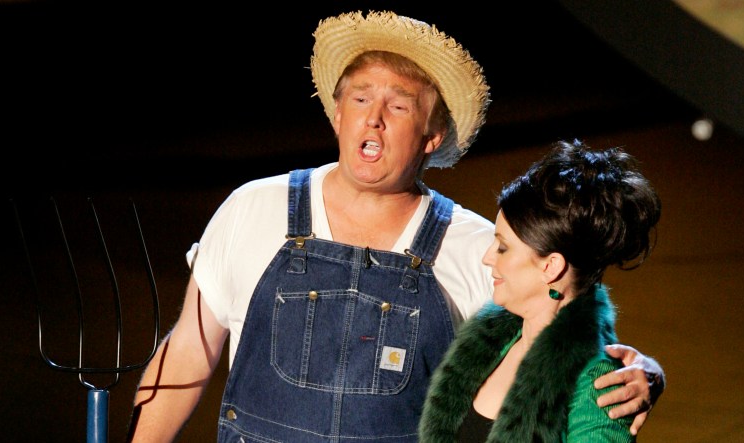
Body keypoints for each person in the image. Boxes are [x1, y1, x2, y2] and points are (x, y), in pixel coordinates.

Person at [127, 11, 664, 442]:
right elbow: (188, 354)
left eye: (399, 106)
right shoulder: (252, 209)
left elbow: (563, 334)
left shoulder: (476, 247)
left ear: (432, 137)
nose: (373, 118)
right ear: (336, 113)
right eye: (360, 98)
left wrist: (642, 373)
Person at [419, 140, 664, 442]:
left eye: (503, 248)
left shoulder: (597, 383)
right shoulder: (494, 341)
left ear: (551, 266)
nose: (487, 258)